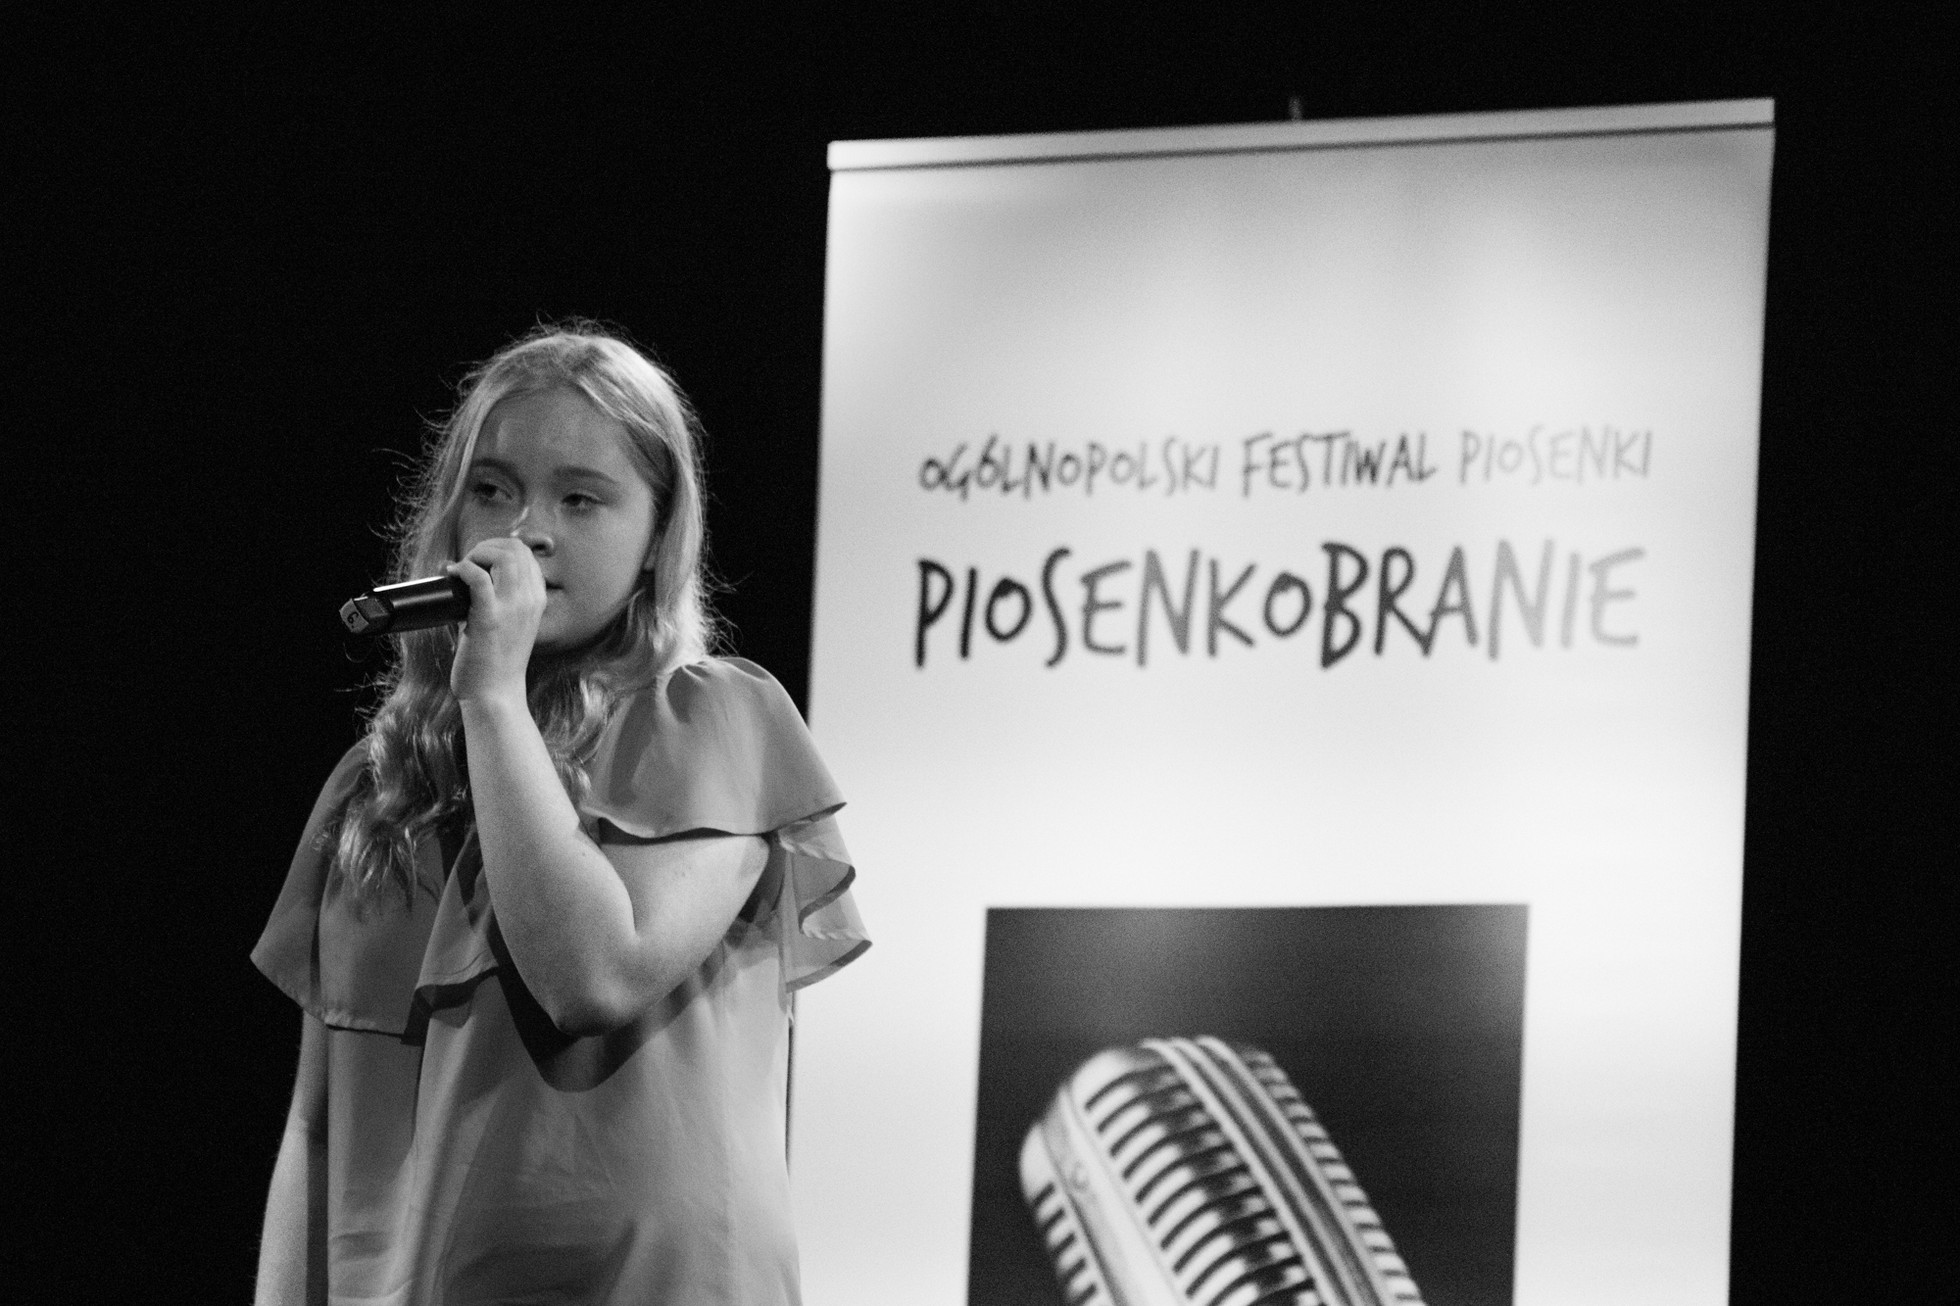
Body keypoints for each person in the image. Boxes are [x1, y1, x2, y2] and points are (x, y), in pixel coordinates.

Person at [251, 325, 868, 1305]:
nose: (526, 530)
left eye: (581, 499)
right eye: (493, 490)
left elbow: (593, 977)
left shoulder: (716, 723)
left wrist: (492, 696)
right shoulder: (382, 788)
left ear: (659, 535)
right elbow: (318, 1126)